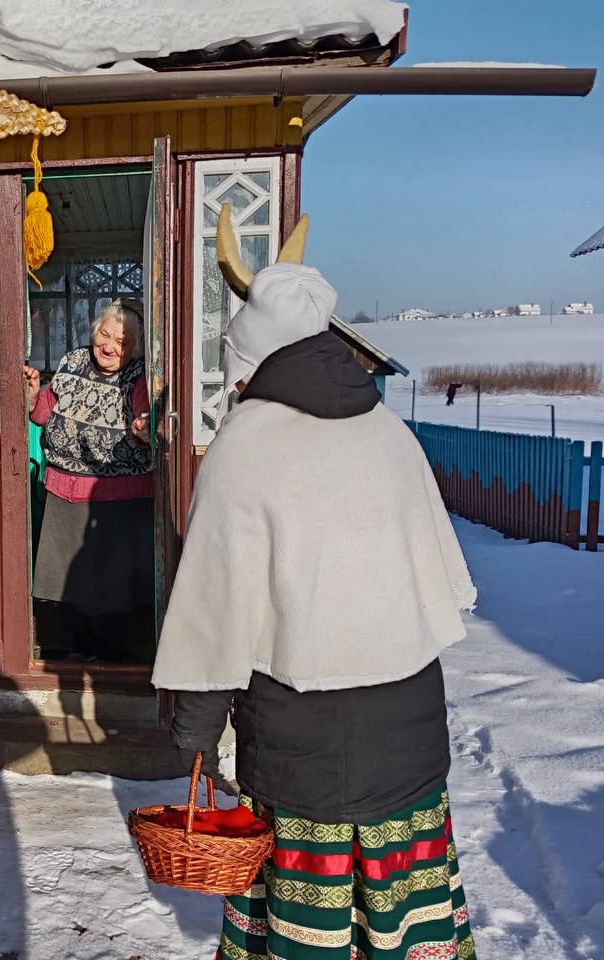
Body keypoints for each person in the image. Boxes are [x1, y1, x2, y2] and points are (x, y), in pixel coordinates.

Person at [153, 257, 478, 960]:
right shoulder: (390, 433)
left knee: (310, 939)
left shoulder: (245, 446)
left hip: (302, 754)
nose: (235, 381)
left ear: (255, 359)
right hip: (410, 743)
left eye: (236, 364)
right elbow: (442, 585)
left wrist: (195, 735)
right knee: (402, 932)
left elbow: (217, 616)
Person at [23, 298, 153, 662]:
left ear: (134, 349)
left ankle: (118, 653)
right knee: (61, 577)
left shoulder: (139, 375)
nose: (109, 347)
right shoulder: (72, 362)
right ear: (95, 332)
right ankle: (62, 646)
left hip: (122, 496)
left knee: (114, 581)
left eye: (121, 343)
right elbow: (42, 414)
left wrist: (145, 427)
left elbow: (148, 418)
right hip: (64, 490)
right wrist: (33, 395)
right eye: (105, 336)